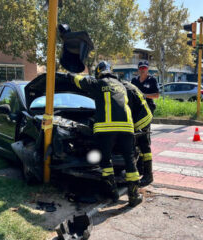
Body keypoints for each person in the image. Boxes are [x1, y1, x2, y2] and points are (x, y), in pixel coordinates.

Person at [67, 61, 143, 207]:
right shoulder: (121, 86)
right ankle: (134, 196)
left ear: (98, 72)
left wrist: (69, 74)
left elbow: (79, 80)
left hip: (106, 129)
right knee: (129, 160)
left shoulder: (97, 83)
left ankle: (113, 194)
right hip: (127, 128)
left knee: (106, 162)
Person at [119, 79, 154, 187]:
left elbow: (128, 109)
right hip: (141, 115)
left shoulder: (124, 89)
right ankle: (141, 170)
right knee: (139, 143)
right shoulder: (125, 85)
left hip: (142, 118)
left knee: (144, 146)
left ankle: (148, 176)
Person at [131, 60, 159, 186]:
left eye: (145, 68)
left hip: (147, 112)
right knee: (137, 139)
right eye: (141, 68)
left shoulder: (152, 80)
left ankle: (148, 174)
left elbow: (156, 95)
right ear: (138, 69)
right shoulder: (134, 81)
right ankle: (140, 167)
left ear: (147, 69)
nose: (143, 70)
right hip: (136, 112)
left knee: (144, 140)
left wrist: (144, 95)